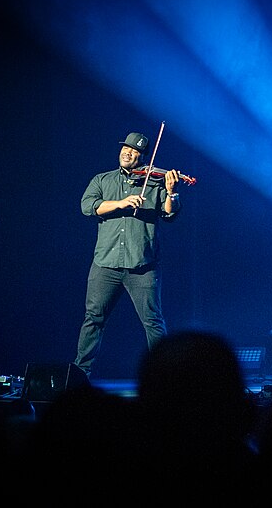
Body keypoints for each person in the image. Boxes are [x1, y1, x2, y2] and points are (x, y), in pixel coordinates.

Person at [73, 131, 182, 378]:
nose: (127, 152)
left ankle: (164, 378)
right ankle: (80, 375)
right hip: (106, 263)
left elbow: (170, 213)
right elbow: (87, 206)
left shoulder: (155, 181)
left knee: (153, 322)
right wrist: (121, 203)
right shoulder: (103, 180)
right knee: (93, 319)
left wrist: (171, 191)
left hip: (142, 265)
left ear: (142, 156)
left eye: (134, 151)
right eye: (125, 148)